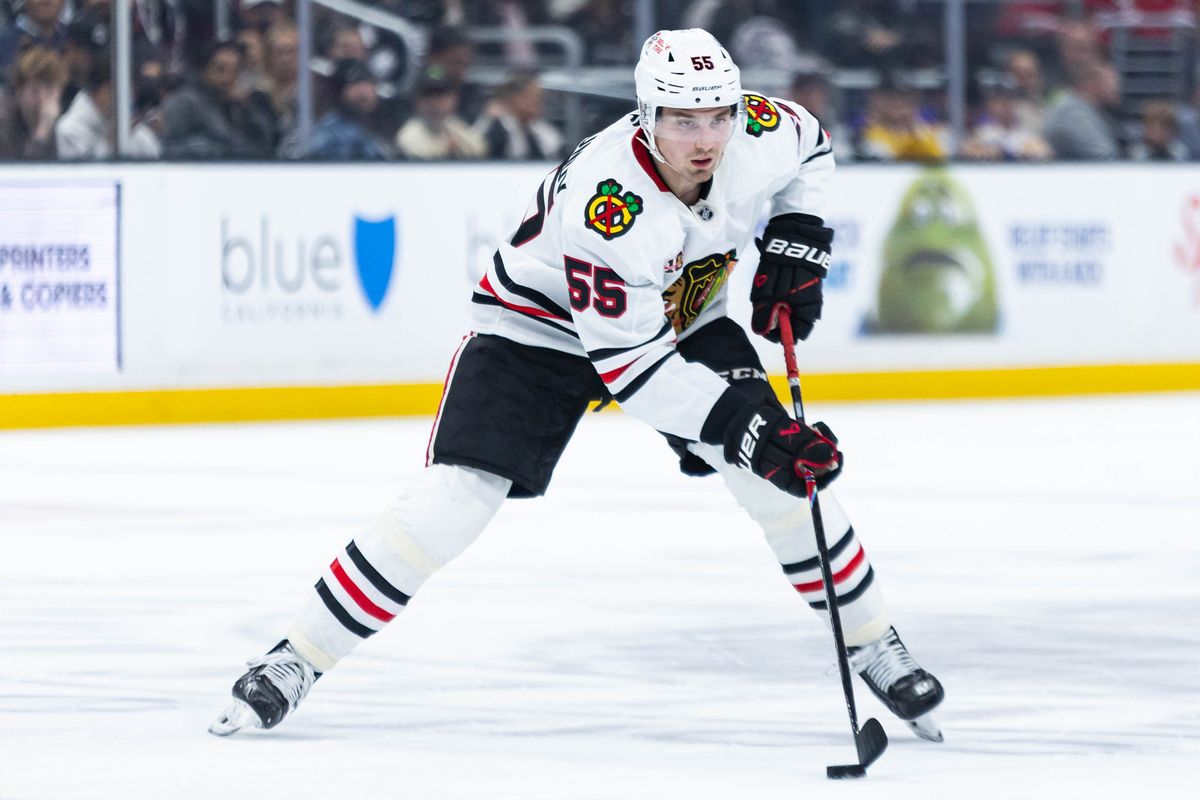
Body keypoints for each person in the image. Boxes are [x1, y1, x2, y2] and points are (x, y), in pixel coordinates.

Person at [209, 28, 946, 742]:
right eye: (684, 120)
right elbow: (635, 372)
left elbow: (812, 148)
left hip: (681, 315)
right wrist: (751, 428)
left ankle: (875, 642)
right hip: (537, 333)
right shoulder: (609, 204)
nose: (706, 139)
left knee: (783, 484)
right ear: (647, 115)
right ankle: (295, 657)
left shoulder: (758, 127)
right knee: (456, 498)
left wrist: (799, 238)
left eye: (718, 116)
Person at [300, 58, 391, 160]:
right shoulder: (330, 135)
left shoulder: (383, 124)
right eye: (355, 84)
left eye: (367, 83)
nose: (363, 92)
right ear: (339, 92)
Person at [394, 69, 486, 160]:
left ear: (454, 99)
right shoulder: (409, 133)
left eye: (441, 95)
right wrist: (449, 149)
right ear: (417, 101)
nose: (434, 103)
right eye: (428, 95)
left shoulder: (452, 125)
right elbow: (422, 155)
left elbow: (480, 148)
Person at [474, 69, 563, 160]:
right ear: (516, 98)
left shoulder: (537, 128)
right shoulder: (496, 126)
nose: (540, 104)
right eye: (535, 98)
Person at [0, 44, 66, 159]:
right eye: (34, 91)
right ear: (20, 91)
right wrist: (42, 132)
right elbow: (22, 173)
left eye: (49, 91)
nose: (42, 100)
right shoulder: (4, 124)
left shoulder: (66, 120)